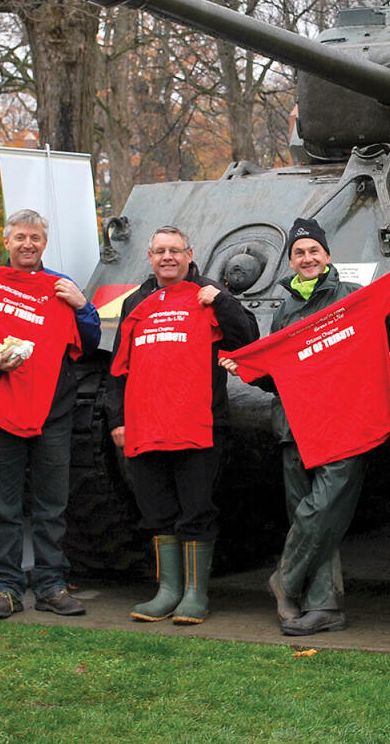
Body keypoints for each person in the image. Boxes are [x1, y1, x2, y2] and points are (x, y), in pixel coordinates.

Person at [219, 217, 390, 636]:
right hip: (294, 427)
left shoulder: (352, 298)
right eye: (299, 253)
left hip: (345, 423)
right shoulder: (286, 310)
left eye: (313, 251)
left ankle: (285, 580)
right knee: (307, 516)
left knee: (323, 509)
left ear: (327, 256)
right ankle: (323, 606)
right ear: (291, 262)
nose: (307, 258)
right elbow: (280, 377)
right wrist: (249, 370)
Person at [106, 226, 259, 625]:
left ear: (190, 254)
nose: (168, 257)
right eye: (160, 251)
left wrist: (223, 302)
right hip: (146, 425)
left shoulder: (208, 293)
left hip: (199, 423)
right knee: (157, 511)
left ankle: (195, 594)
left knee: (196, 510)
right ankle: (168, 590)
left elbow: (247, 339)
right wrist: (117, 419)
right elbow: (118, 367)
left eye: (175, 250)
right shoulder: (137, 301)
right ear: (150, 256)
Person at [0, 210, 101, 619]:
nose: (28, 245)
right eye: (21, 237)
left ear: (44, 243)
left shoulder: (60, 290)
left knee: (52, 504)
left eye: (35, 238)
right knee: (4, 507)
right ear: (7, 241)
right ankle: (6, 587)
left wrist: (83, 306)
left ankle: (52, 585)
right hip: (0, 413)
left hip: (53, 413)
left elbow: (86, 345)